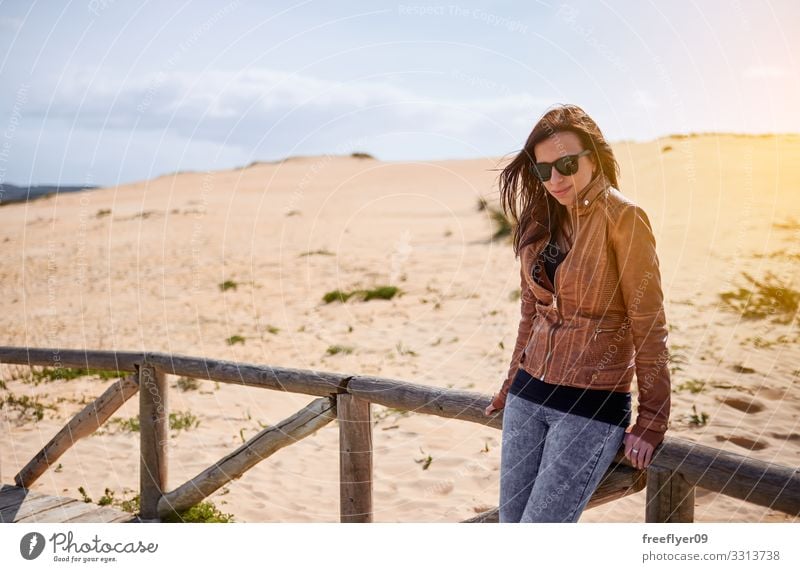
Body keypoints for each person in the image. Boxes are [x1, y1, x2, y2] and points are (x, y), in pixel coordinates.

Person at [483, 104, 671, 523]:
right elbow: (530, 315)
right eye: (542, 169)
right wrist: (512, 380)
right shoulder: (536, 222)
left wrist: (653, 419)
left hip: (589, 407)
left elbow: (649, 325)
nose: (555, 179)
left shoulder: (624, 219)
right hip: (527, 398)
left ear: (594, 158)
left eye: (567, 164)